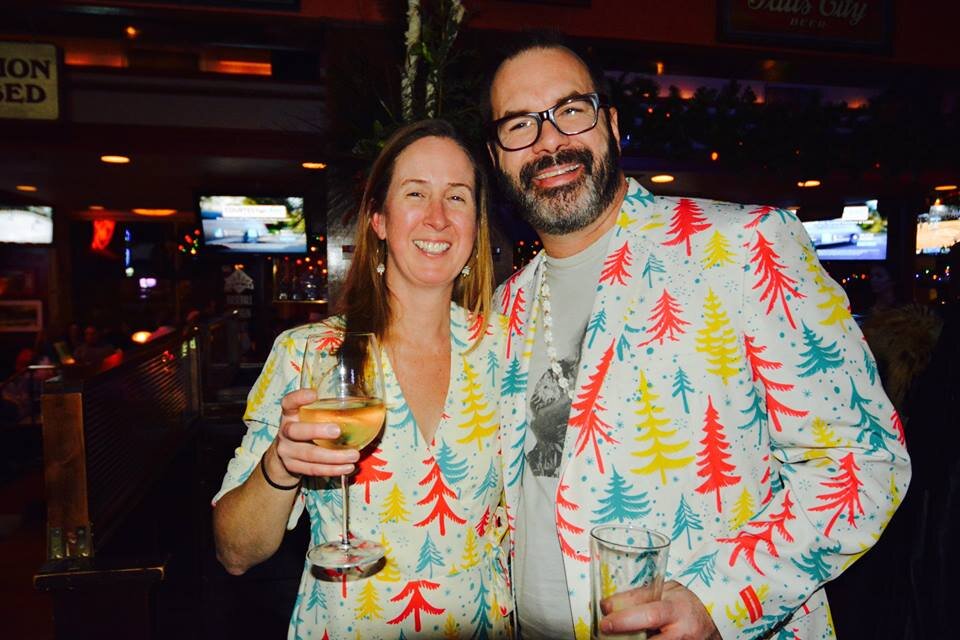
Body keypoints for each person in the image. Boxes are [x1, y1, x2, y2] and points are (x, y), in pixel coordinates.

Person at [486, 40, 911, 640]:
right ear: (496, 157)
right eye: (519, 125)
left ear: (611, 124)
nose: (549, 140)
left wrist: (720, 602)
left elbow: (864, 461)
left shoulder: (744, 245)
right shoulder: (503, 306)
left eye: (571, 110)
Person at [212, 119, 511, 639]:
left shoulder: (508, 349)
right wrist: (280, 465)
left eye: (457, 197)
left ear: (476, 224)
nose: (438, 217)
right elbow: (234, 552)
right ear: (379, 219)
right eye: (415, 193)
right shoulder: (308, 352)